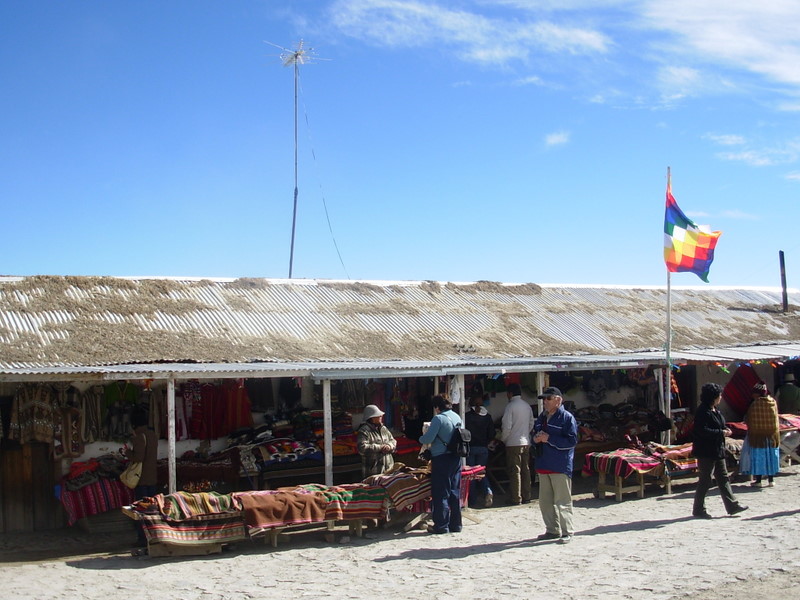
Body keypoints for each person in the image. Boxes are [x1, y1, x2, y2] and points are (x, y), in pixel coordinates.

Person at [691, 382, 748, 518]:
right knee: (705, 480)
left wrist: (725, 430)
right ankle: (698, 509)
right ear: (713, 397)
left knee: (723, 478)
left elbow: (720, 425)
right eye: (719, 395)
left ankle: (732, 505)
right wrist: (720, 432)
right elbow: (701, 430)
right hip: (706, 451)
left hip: (717, 449)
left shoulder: (715, 410)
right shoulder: (702, 412)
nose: (721, 397)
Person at [532, 387, 578, 544]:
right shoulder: (542, 417)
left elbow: (571, 442)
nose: (545, 402)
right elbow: (534, 434)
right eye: (544, 399)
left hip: (559, 465)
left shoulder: (567, 418)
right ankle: (552, 530)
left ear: (558, 399)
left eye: (548, 398)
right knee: (545, 502)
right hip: (544, 464)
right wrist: (536, 439)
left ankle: (567, 531)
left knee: (562, 501)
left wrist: (548, 439)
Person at [418, 395, 462, 534]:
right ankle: (456, 524)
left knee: (441, 492)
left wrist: (420, 437)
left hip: (441, 458)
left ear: (437, 407)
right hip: (456, 457)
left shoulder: (438, 419)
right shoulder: (456, 417)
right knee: (454, 491)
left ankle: (442, 525)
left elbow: (429, 438)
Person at [125, 406, 158, 549]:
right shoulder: (152, 435)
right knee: (153, 510)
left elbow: (138, 457)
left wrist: (127, 453)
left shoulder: (139, 437)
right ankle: (154, 536)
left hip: (142, 479)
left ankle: (143, 539)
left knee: (141, 511)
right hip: (152, 477)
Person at [499, 382, 535, 505]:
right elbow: (531, 423)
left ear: (509, 393)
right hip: (526, 441)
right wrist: (525, 433)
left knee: (515, 471)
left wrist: (503, 439)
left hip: (513, 443)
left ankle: (516, 497)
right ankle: (527, 495)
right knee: (526, 469)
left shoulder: (510, 407)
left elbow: (506, 427)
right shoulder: (526, 406)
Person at [741, 382, 780, 487]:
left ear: (758, 393)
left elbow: (750, 419)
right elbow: (775, 419)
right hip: (771, 436)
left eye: (754, 393)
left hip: (758, 437)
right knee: (770, 457)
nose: (752, 395)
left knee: (759, 458)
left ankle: (758, 480)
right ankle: (771, 480)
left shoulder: (755, 404)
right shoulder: (773, 402)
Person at [465, 392, 495, 508]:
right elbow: (492, 433)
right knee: (481, 473)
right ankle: (488, 491)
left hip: (470, 448)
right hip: (483, 448)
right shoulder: (488, 417)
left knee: (471, 474)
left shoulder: (466, 416)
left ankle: (472, 500)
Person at [356, 404, 397, 478]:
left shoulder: (383, 428)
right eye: (378, 415)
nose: (381, 416)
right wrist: (380, 447)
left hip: (389, 469)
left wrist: (389, 446)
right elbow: (362, 448)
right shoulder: (364, 431)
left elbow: (392, 440)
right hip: (374, 472)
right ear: (371, 418)